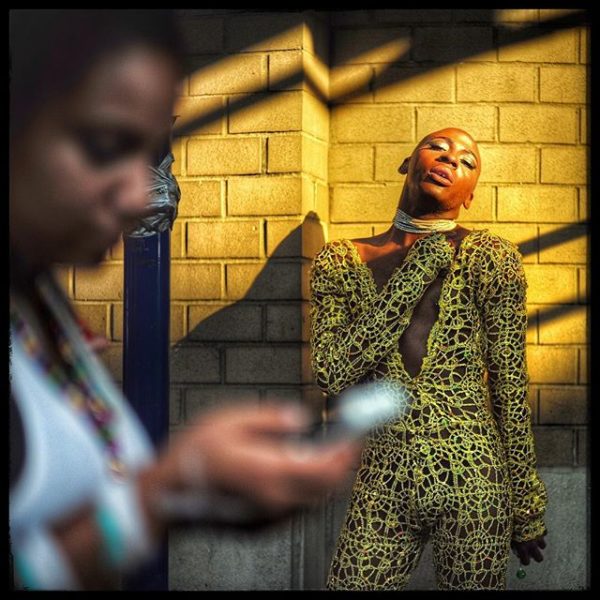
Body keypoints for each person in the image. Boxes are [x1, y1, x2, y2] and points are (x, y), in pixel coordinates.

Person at [9, 9, 360, 591]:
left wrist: (182, 491)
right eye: (105, 145)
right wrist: (161, 494)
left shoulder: (37, 304)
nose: (140, 192)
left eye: (152, 153)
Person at [309, 127, 548, 590]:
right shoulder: (341, 260)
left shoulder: (489, 257)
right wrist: (415, 271)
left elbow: (510, 384)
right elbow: (332, 371)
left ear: (470, 195)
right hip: (383, 476)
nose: (450, 159)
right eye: (437, 147)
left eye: (466, 161)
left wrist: (526, 503)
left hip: (474, 476)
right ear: (407, 163)